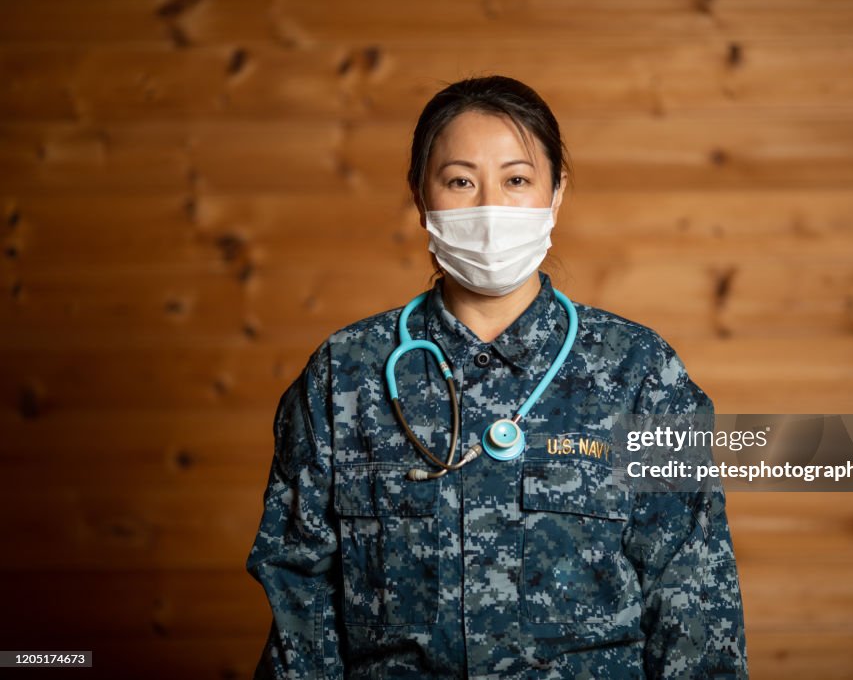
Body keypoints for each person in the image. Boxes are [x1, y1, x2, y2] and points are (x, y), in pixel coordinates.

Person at [246, 75, 748, 679]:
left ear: (556, 193)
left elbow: (692, 598)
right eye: (461, 181)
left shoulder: (640, 371)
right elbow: (299, 591)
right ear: (419, 194)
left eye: (517, 180)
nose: (489, 208)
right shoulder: (346, 374)